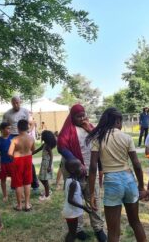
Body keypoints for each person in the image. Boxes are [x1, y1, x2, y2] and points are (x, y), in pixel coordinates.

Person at [87, 107, 147, 242]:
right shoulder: (127, 137)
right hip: (129, 180)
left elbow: (92, 167)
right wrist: (142, 186)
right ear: (118, 122)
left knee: (113, 231)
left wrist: (91, 193)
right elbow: (137, 164)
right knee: (136, 222)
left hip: (112, 182)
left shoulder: (98, 139)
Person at [57, 104, 106, 242]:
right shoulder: (67, 130)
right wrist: (76, 163)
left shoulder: (90, 127)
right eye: (78, 116)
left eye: (83, 115)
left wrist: (89, 129)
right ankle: (77, 229)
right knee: (75, 200)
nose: (82, 118)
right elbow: (61, 147)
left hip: (91, 170)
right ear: (72, 117)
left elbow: (100, 142)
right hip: (74, 172)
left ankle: (98, 228)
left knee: (94, 197)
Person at [2, 96, 40, 194]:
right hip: (13, 137)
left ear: (20, 102)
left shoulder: (25, 111)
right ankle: (15, 185)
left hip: (24, 135)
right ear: (11, 103)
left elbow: (32, 123)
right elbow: (3, 127)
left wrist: (28, 132)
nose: (16, 105)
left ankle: (35, 185)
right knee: (13, 162)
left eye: (17, 103)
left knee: (28, 162)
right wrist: (5, 137)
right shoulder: (7, 114)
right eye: (14, 103)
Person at [63, 159, 92, 242]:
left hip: (71, 212)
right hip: (71, 213)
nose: (82, 168)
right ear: (72, 170)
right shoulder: (73, 183)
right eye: (79, 167)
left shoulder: (70, 180)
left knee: (72, 232)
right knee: (72, 233)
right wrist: (83, 207)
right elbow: (70, 200)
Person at [8, 119, 34, 211]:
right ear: (27, 128)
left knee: (18, 183)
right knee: (27, 182)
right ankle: (27, 204)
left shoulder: (15, 139)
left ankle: (19, 205)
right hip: (28, 159)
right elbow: (33, 149)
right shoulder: (31, 138)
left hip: (17, 160)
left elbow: (10, 153)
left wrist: (14, 157)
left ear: (18, 128)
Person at [33, 130, 57, 201]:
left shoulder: (48, 147)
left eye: (42, 136)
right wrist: (29, 154)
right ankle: (47, 191)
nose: (41, 137)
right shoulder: (45, 145)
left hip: (46, 164)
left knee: (44, 179)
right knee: (43, 179)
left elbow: (51, 156)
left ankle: (47, 195)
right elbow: (37, 150)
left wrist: (49, 166)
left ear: (45, 138)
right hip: (44, 164)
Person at [0, 122, 14, 201]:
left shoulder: (13, 138)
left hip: (12, 162)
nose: (9, 130)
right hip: (3, 163)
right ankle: (5, 195)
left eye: (10, 128)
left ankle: (20, 193)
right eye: (7, 128)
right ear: (2, 130)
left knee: (15, 177)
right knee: (3, 179)